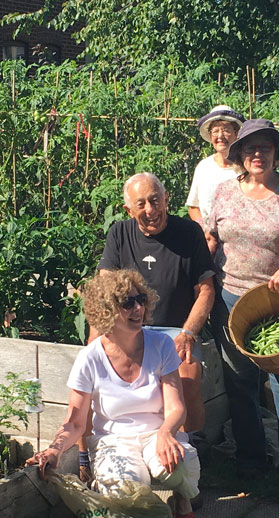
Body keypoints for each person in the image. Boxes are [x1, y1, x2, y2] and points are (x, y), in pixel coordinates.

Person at [27, 270, 201, 518]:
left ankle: (180, 497)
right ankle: (150, 507)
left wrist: (167, 432)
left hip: (157, 433)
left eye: (141, 299)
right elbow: (75, 421)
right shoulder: (90, 358)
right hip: (113, 441)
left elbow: (176, 406)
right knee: (126, 489)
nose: (139, 308)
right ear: (106, 311)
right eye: (128, 303)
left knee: (180, 466)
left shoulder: (161, 345)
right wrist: (55, 450)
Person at [205, 118, 279, 484]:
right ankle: (252, 461)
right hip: (231, 300)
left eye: (266, 148)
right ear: (240, 154)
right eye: (251, 149)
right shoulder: (225, 192)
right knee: (241, 385)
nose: (258, 155)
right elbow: (212, 239)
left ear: (276, 153)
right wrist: (199, 277)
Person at [77, 172, 215, 482]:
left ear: (166, 199)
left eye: (155, 200)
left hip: (175, 329)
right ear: (129, 209)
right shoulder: (120, 234)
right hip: (127, 328)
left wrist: (189, 332)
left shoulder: (189, 233)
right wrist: (95, 340)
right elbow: (103, 289)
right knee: (91, 376)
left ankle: (187, 449)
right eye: (141, 204)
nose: (151, 210)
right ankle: (87, 453)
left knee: (188, 374)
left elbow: (206, 290)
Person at [186, 105, 245, 255]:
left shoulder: (245, 168)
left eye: (226, 130)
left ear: (236, 133)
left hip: (238, 242)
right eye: (215, 131)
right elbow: (193, 207)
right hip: (208, 240)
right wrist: (204, 228)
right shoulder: (204, 167)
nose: (220, 136)